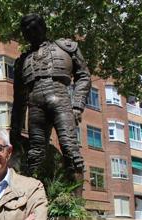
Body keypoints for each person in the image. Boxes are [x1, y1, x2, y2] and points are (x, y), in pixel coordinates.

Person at [10, 14, 91, 180]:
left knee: (70, 149)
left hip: (60, 99)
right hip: (35, 106)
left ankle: (76, 203)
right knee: (35, 154)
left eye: (35, 29)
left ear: (44, 28)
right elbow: (19, 98)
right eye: (28, 32)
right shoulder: (23, 61)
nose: (32, 34)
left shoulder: (66, 48)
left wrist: (77, 105)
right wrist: (15, 129)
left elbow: (84, 76)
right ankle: (36, 197)